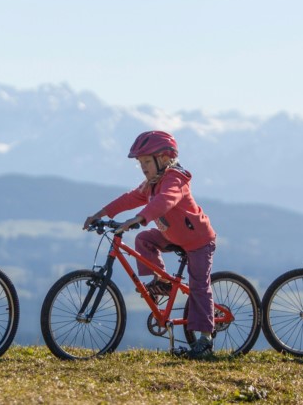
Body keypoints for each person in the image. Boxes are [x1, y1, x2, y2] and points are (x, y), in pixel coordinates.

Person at [83, 130, 217, 359]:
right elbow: (129, 198)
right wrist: (100, 213)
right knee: (143, 239)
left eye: (146, 161)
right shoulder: (151, 184)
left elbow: (166, 201)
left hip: (198, 240)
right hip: (173, 236)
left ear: (164, 159)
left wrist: (139, 218)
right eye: (140, 163)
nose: (143, 166)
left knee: (198, 285)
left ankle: (205, 338)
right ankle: (163, 281)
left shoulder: (175, 178)